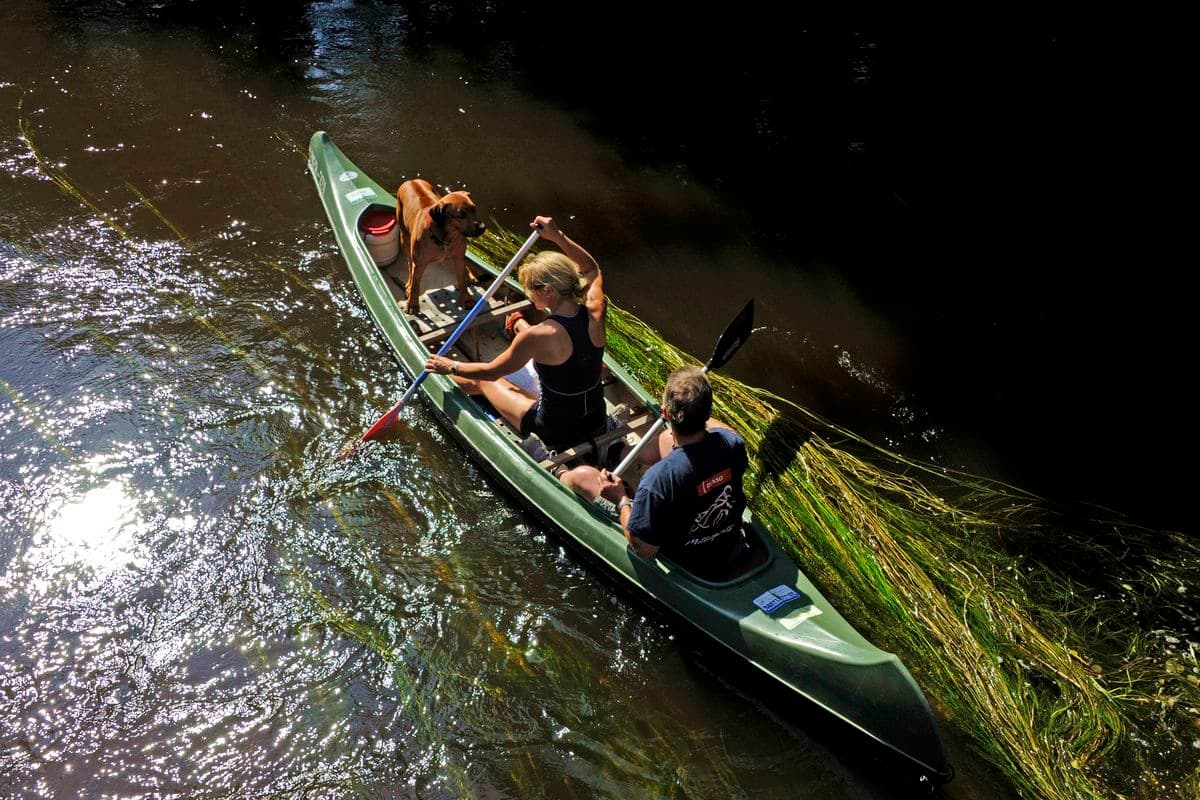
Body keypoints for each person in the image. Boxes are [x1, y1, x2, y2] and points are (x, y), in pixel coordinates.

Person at [423, 215, 608, 454]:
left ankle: (430, 380)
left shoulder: (536, 337)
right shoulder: (595, 310)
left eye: (531, 289)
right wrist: (557, 236)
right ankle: (516, 325)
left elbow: (491, 372)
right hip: (595, 419)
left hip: (555, 430)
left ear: (549, 291)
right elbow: (591, 268)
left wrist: (450, 366)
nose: (528, 295)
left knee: (481, 381)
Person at [563, 366, 757, 578]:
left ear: (665, 413)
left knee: (582, 475)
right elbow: (725, 430)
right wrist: (696, 406)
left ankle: (558, 470)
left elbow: (644, 549)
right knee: (665, 438)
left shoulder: (657, 480)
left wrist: (621, 499)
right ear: (708, 413)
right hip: (726, 545)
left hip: (683, 558)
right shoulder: (732, 444)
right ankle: (616, 450)